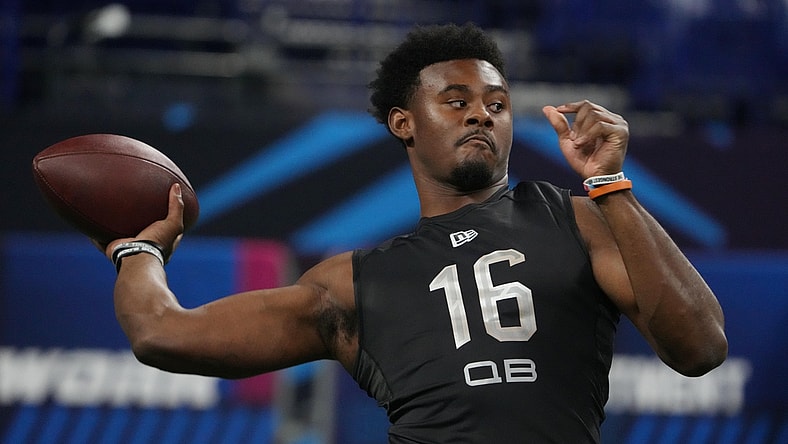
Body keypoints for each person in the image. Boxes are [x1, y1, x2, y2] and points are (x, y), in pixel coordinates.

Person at [100, 23, 727, 443]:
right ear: (404, 122)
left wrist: (610, 186)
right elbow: (162, 334)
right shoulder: (351, 284)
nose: (482, 111)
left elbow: (700, 347)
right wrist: (141, 249)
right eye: (456, 100)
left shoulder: (578, 217)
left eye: (497, 103)